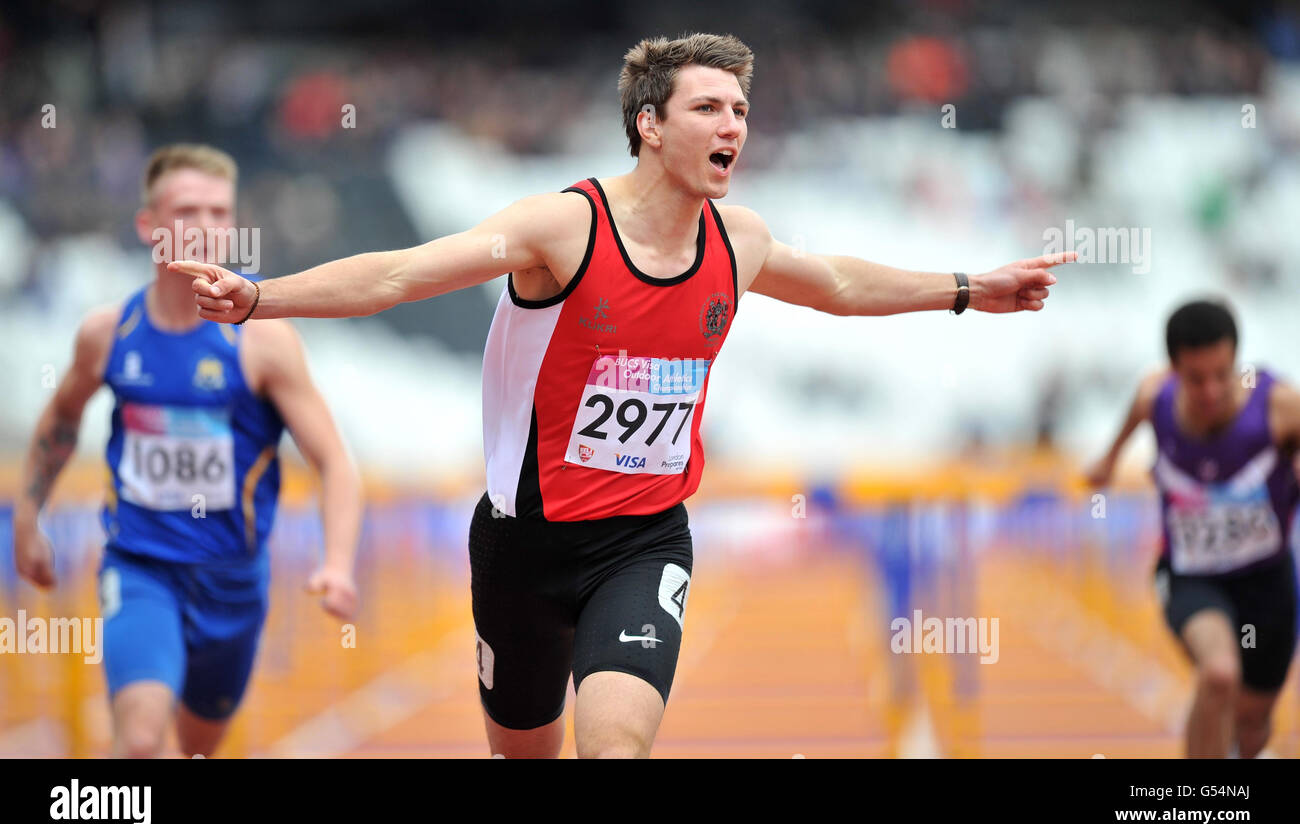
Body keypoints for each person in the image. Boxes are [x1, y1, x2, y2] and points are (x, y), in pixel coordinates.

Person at [172, 33, 1073, 758]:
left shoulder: (739, 239)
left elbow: (836, 281)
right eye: (710, 107)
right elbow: (401, 273)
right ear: (649, 123)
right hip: (523, 544)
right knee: (524, 749)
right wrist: (261, 297)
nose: (735, 127)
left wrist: (967, 287)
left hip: (643, 540)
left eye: (742, 110)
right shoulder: (563, 228)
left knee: (615, 745)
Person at [13, 144, 363, 758]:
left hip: (232, 584)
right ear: (148, 225)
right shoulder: (108, 334)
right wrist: (26, 515)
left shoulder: (264, 342)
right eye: (185, 211)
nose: (203, 226)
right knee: (142, 742)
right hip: (141, 567)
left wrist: (336, 562)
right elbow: (62, 417)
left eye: (218, 212)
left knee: (196, 751)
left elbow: (334, 461)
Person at [1087, 299, 1300, 757]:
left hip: (1267, 582)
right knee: (1220, 674)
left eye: (1222, 375)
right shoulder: (1155, 397)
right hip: (1191, 576)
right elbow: (1133, 417)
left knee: (1253, 718)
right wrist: (1107, 461)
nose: (1210, 391)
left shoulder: (1280, 406)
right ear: (1173, 370)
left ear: (1236, 361)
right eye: (1195, 378)